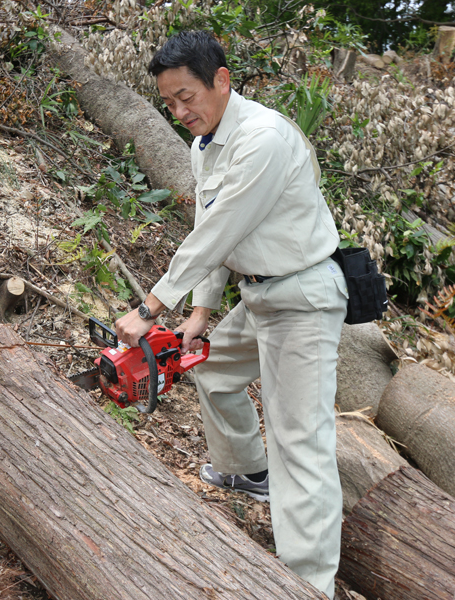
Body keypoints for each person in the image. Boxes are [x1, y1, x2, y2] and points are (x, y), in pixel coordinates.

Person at [114, 30, 347, 599]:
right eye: (169, 101)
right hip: (261, 295)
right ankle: (247, 470)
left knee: (300, 439)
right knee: (214, 371)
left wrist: (152, 306)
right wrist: (201, 309)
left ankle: (308, 582)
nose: (179, 111)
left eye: (187, 95)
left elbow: (222, 229)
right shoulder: (204, 146)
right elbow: (211, 230)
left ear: (221, 80)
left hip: (304, 297)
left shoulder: (262, 138)